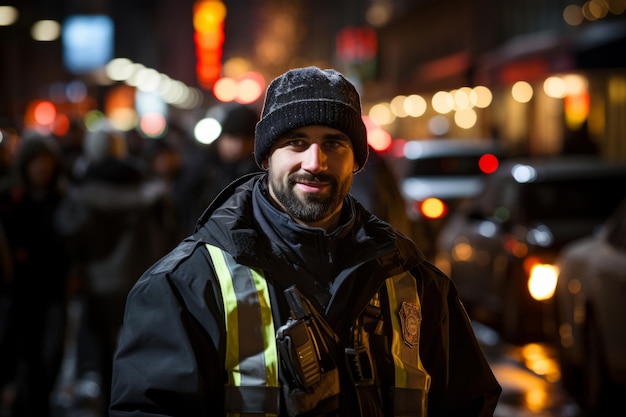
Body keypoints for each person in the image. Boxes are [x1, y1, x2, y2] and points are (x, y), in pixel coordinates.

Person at [110, 66, 501, 417]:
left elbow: (469, 403)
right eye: (296, 142)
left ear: (356, 160)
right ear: (266, 157)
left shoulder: (416, 282)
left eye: (334, 143)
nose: (315, 162)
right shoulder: (186, 286)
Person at [54, 122, 181, 415]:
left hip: (97, 281)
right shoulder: (141, 180)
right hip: (139, 277)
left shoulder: (82, 186)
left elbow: (69, 231)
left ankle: (103, 401)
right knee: (136, 349)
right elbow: (166, 233)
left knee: (99, 349)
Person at [0, 132, 71, 417]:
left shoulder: (64, 197)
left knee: (52, 355)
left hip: (54, 288)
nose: (41, 168)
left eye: (46, 160)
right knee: (26, 357)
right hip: (20, 291)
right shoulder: (10, 198)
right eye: (35, 161)